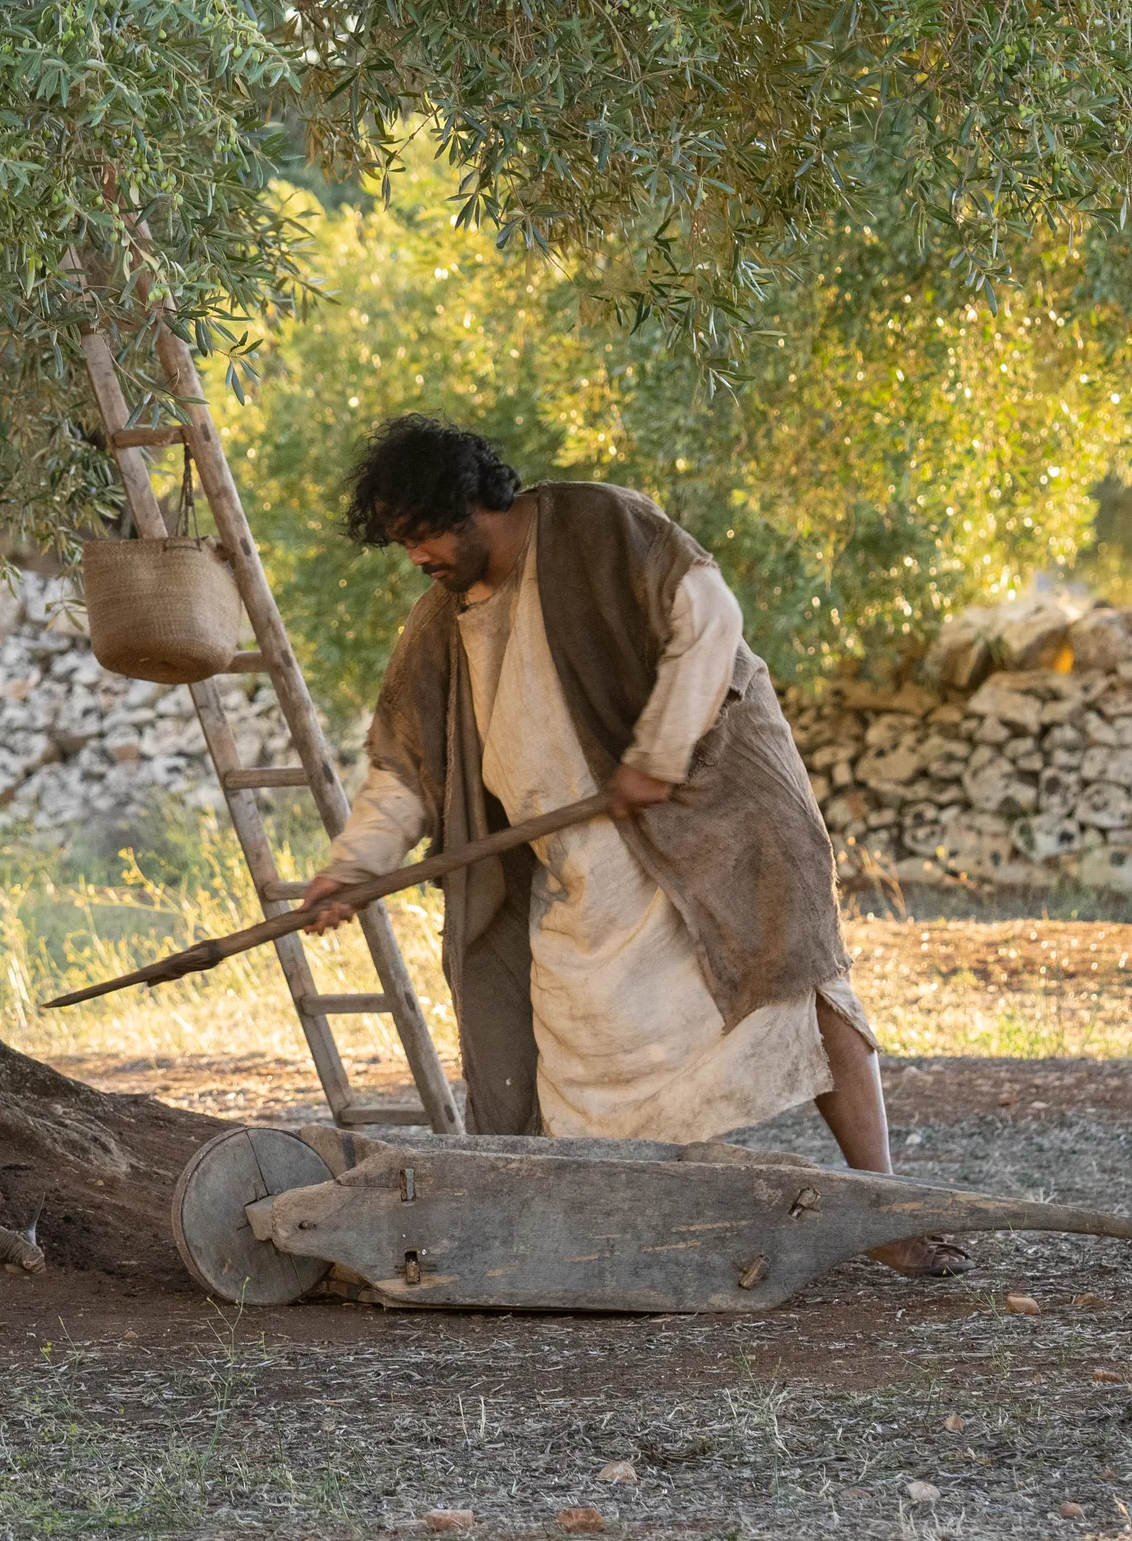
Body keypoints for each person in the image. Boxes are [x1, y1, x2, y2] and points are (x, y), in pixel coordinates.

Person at [296, 416, 960, 1272]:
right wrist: (352, 869)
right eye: (401, 542)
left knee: (797, 985)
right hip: (580, 867)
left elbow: (709, 617)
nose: (416, 556)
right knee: (586, 1046)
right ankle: (631, 1236)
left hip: (716, 823)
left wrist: (658, 753)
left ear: (468, 504)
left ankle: (888, 1210)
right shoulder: (440, 625)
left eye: (422, 533)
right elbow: (403, 772)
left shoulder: (600, 525)